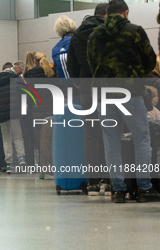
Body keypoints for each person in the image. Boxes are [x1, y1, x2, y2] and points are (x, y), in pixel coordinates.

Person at [87, 0, 158, 203]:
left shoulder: (95, 35)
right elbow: (150, 61)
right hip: (131, 93)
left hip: (104, 94)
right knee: (142, 140)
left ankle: (118, 190)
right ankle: (144, 188)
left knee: (111, 143)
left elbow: (92, 64)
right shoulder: (135, 31)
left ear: (107, 14)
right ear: (126, 13)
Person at [66, 3, 109, 196]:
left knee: (90, 136)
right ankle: (109, 182)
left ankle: (92, 183)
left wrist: (78, 82)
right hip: (108, 87)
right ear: (106, 15)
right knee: (110, 133)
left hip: (86, 88)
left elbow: (71, 65)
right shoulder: (109, 31)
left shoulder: (77, 34)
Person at [0, 62, 26, 173]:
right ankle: (21, 159)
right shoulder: (17, 79)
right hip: (14, 112)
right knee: (17, 136)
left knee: (6, 139)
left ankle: (9, 164)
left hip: (2, 114)